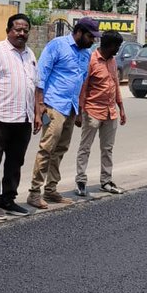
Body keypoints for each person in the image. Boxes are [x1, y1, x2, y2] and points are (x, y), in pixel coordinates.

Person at [27, 17, 98, 209]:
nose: (93, 41)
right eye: (90, 36)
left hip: (71, 107)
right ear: (79, 32)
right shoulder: (57, 45)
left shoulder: (86, 54)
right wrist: (40, 104)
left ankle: (51, 190)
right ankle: (34, 192)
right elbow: (41, 75)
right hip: (53, 104)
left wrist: (79, 110)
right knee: (47, 148)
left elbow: (81, 82)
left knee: (61, 149)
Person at [0, 13, 37, 220]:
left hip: (23, 119)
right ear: (8, 31)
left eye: (25, 30)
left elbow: (34, 85)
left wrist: (37, 113)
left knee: (15, 162)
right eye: (17, 29)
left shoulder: (30, 54)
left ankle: (8, 200)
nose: (22, 33)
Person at [74, 31, 127, 198]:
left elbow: (115, 84)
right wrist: (79, 112)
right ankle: (81, 181)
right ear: (109, 45)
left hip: (110, 112)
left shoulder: (112, 61)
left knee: (107, 149)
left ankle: (106, 181)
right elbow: (83, 88)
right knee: (85, 148)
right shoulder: (91, 60)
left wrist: (121, 107)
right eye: (117, 46)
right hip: (92, 111)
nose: (118, 49)